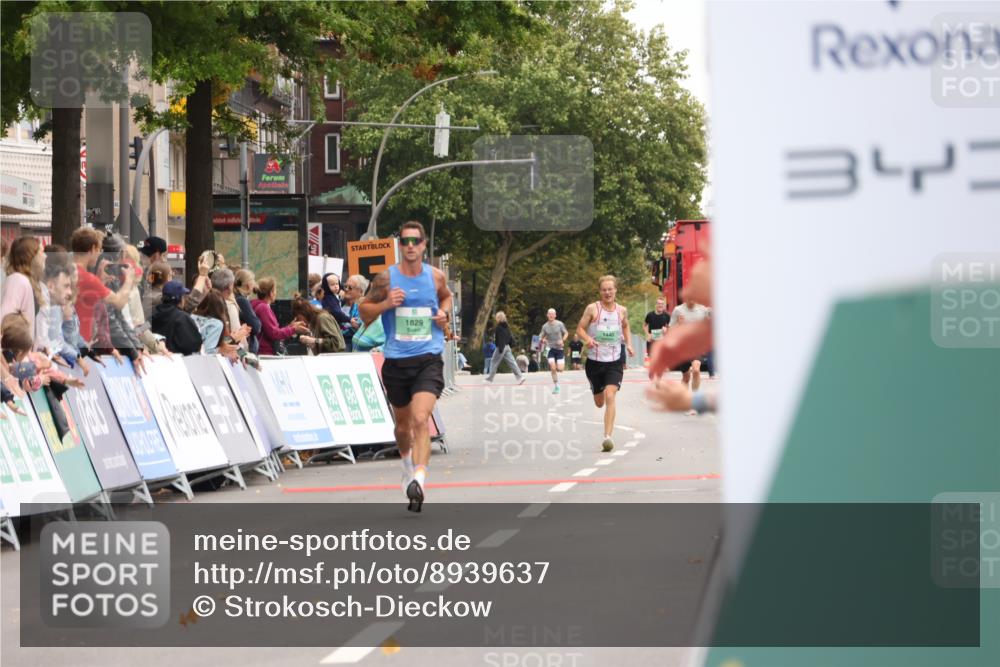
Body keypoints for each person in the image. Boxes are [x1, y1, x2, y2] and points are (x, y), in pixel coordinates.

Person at [360, 221, 453, 513]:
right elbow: (364, 310)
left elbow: (447, 297)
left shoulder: (435, 276)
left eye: (415, 241)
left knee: (420, 418)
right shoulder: (386, 279)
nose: (410, 246)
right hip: (397, 362)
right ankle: (407, 467)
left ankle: (419, 480)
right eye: (405, 241)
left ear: (424, 245)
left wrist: (444, 314)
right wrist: (386, 304)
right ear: (400, 245)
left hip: (428, 359)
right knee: (402, 427)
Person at [576, 274, 634, 452]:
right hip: (594, 362)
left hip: (614, 362)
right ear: (600, 292)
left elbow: (626, 326)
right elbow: (580, 329)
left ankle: (607, 437)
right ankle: (596, 389)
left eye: (610, 289)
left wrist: (629, 344)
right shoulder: (592, 309)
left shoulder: (621, 310)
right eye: (604, 290)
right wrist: (588, 340)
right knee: (599, 402)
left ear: (615, 290)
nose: (607, 293)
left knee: (610, 396)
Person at [70, 227, 134, 351]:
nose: (100, 254)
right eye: (99, 250)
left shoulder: (69, 271)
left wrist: (99, 280)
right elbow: (119, 302)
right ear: (93, 248)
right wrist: (129, 279)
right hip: (81, 345)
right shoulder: (88, 278)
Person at [668, 296, 711, 414]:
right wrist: (679, 325)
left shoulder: (703, 310)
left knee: (696, 370)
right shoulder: (678, 310)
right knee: (686, 377)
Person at [252, 277, 310, 355]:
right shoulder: (263, 308)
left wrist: (291, 326)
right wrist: (294, 329)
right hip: (266, 352)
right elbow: (274, 334)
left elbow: (274, 331)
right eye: (275, 290)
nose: (276, 293)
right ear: (271, 293)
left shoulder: (260, 306)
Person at [1, 236, 45, 335]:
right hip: (16, 344)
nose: (45, 256)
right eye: (41, 252)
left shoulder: (28, 281)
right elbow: (5, 320)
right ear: (31, 256)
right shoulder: (18, 280)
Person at [151, 281, 202, 355]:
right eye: (183, 296)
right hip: (176, 359)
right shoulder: (182, 318)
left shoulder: (152, 315)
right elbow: (194, 345)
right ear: (179, 298)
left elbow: (141, 331)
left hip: (152, 358)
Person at [485, 311, 526, 385]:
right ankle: (520, 377)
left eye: (497, 317)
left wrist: (500, 348)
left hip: (501, 347)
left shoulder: (499, 328)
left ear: (498, 318)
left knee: (494, 362)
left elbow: (500, 339)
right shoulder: (506, 326)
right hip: (507, 347)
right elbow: (509, 336)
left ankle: (489, 380)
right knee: (512, 362)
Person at [537, 308, 569, 393]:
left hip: (559, 348)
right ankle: (556, 386)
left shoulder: (560, 324)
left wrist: (562, 340)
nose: (551, 315)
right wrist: (543, 340)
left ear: (555, 315)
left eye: (552, 314)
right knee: (553, 368)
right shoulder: (544, 326)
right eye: (549, 314)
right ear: (547, 315)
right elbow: (540, 336)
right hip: (549, 349)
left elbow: (566, 333)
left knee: (560, 369)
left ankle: (561, 362)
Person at [234, 269, 261, 354]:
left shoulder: (236, 298)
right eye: (253, 281)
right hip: (245, 348)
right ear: (248, 285)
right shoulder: (242, 301)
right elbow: (255, 327)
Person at [644, 296, 671, 377]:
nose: (660, 305)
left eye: (662, 304)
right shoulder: (650, 315)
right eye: (659, 303)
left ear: (664, 305)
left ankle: (658, 378)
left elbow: (670, 327)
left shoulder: (667, 316)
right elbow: (645, 325)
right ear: (656, 304)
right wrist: (648, 334)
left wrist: (666, 329)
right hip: (651, 340)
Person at [340, 274, 365, 350]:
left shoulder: (362, 308)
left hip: (350, 347)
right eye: (345, 286)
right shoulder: (339, 303)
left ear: (360, 291)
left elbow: (356, 328)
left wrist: (336, 332)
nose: (346, 289)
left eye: (350, 288)